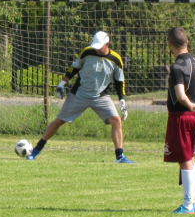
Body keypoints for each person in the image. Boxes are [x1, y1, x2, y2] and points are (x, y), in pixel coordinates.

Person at [27, 30, 134, 163]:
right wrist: (62, 84)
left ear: (108, 44)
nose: (97, 49)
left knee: (116, 120)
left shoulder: (116, 60)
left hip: (100, 97)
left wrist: (122, 101)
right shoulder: (87, 52)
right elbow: (74, 68)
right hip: (79, 94)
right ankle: (36, 151)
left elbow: (120, 81)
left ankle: (120, 157)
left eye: (100, 46)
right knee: (59, 121)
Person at [164, 26, 195, 214]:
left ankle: (188, 205)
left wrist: (188, 105)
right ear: (187, 41)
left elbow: (180, 95)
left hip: (181, 116)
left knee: (185, 159)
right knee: (190, 158)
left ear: (170, 44)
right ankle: (192, 202)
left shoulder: (177, 66)